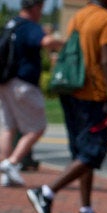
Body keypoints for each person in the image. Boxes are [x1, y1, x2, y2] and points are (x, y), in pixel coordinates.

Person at [27, 0, 107, 213]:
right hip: (92, 95)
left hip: (71, 91)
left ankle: (85, 211)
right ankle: (46, 193)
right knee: (95, 150)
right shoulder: (106, 19)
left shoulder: (80, 15)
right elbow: (106, 61)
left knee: (80, 152)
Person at [0, 0, 63, 187]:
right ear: (35, 7)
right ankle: (11, 163)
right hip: (22, 84)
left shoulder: (11, 24)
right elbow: (46, 41)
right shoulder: (29, 27)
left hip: (4, 82)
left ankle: (5, 170)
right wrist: (64, 43)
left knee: (7, 128)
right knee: (37, 127)